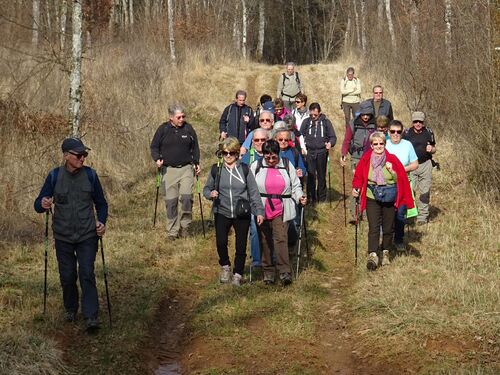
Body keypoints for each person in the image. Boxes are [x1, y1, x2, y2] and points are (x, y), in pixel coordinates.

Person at [34, 138, 108, 331]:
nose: (83, 158)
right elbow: (38, 205)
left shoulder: (91, 175)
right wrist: (43, 203)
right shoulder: (54, 176)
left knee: (87, 273)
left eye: (85, 155)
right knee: (67, 276)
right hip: (63, 236)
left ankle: (91, 315)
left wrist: (101, 222)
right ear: (66, 156)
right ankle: (70, 308)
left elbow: (101, 203)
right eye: (79, 155)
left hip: (87, 235)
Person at [204, 137, 264, 286]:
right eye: (225, 153)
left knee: (241, 245)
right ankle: (225, 266)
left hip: (241, 213)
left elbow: (254, 192)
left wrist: (259, 212)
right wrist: (210, 194)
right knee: (221, 242)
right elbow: (206, 189)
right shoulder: (216, 169)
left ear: (237, 153)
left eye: (231, 152)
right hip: (222, 211)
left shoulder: (244, 169)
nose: (228, 156)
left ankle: (238, 273)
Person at [352, 132, 414, 270]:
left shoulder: (392, 159)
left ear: (384, 144)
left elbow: (401, 180)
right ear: (371, 145)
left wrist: (392, 172)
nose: (379, 146)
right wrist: (356, 188)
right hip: (371, 195)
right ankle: (373, 255)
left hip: (389, 197)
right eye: (375, 144)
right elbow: (358, 175)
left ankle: (385, 252)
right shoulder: (366, 158)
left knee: (387, 228)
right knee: (374, 227)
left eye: (381, 143)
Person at [251, 140, 307, 286]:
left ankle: (284, 272)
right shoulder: (256, 166)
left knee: (281, 238)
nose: (270, 160)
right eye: (267, 157)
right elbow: (250, 187)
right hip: (262, 208)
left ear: (278, 154)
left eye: (273, 157)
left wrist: (300, 196)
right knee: (264, 240)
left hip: (282, 207)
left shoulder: (287, 165)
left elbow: (295, 185)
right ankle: (268, 272)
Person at [150, 104, 200, 240]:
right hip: (168, 170)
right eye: (179, 117)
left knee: (186, 197)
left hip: (186, 169)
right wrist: (157, 159)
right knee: (171, 202)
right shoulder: (163, 129)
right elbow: (154, 146)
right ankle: (172, 231)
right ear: (171, 118)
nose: (182, 119)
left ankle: (185, 226)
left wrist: (196, 163)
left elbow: (195, 147)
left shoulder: (188, 128)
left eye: (183, 116)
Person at [385, 120, 419, 252]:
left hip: (403, 184)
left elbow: (415, 164)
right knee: (387, 213)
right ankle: (386, 240)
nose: (395, 134)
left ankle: (398, 240)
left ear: (402, 132)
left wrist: (401, 169)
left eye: (398, 132)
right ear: (388, 132)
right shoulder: (384, 144)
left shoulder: (408, 145)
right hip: (387, 184)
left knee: (400, 214)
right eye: (392, 131)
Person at [340, 100, 376, 221]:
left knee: (368, 184)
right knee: (357, 183)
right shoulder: (353, 123)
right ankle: (354, 212)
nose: (365, 117)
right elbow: (346, 140)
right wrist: (343, 154)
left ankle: (365, 211)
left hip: (371, 158)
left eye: (368, 114)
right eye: (363, 114)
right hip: (356, 157)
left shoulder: (375, 125)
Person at [402, 111, 437, 225]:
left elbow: (434, 148)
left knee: (425, 191)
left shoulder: (429, 132)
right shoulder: (406, 133)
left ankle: (422, 217)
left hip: (425, 164)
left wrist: (431, 149)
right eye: (415, 121)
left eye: (420, 122)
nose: (418, 124)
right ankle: (409, 215)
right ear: (412, 122)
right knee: (409, 191)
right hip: (411, 165)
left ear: (423, 122)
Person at [241, 128, 269, 267]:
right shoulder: (247, 157)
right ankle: (257, 259)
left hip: (271, 199)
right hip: (253, 200)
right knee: (254, 227)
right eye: (256, 140)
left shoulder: (274, 155)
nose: (259, 143)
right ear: (252, 142)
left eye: (263, 140)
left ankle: (273, 257)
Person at [300, 102, 337, 204]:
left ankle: (322, 198)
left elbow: (333, 137)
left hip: (322, 152)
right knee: (310, 175)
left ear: (319, 113)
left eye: (315, 115)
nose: (313, 117)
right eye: (311, 115)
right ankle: (311, 198)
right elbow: (300, 135)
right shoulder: (306, 122)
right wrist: (302, 147)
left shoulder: (326, 122)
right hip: (309, 152)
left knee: (321, 176)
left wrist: (330, 143)